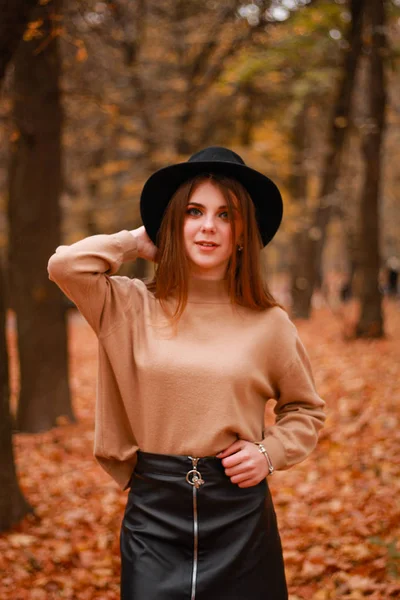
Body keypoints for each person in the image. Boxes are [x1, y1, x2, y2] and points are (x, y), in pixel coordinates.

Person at [47, 146, 326, 600]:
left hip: (239, 511)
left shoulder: (269, 323)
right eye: (194, 211)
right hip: (154, 515)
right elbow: (64, 265)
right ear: (175, 222)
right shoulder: (129, 306)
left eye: (225, 215)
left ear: (241, 233)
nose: (208, 226)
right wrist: (138, 240)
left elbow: (305, 410)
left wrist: (270, 452)